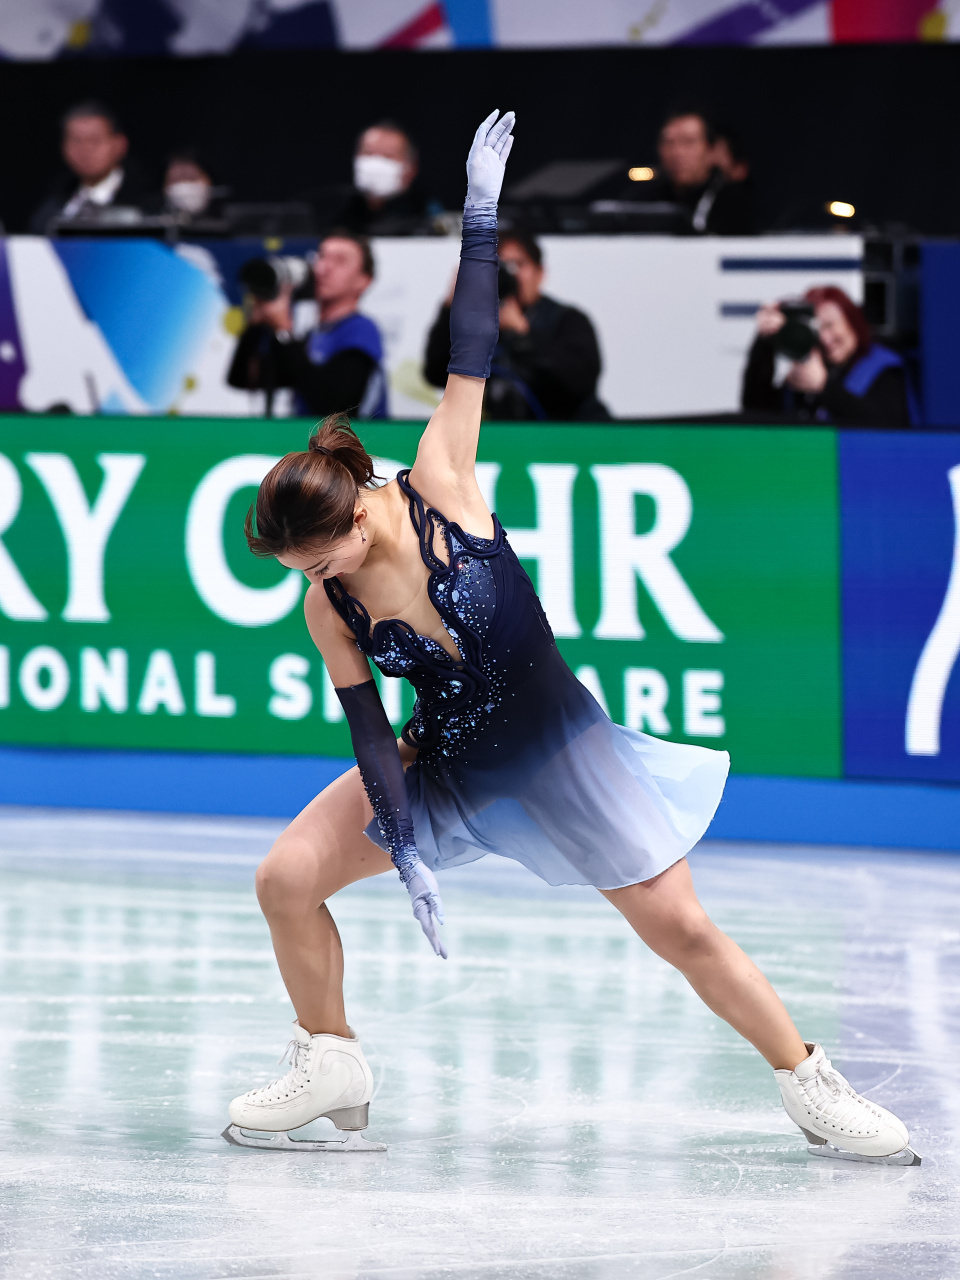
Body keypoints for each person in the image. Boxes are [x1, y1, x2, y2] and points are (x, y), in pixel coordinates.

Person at [223, 112, 917, 1168]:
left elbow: (471, 348)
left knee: (682, 930)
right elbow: (367, 729)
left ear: (358, 515)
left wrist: (480, 217)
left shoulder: (442, 482)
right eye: (298, 573)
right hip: (441, 765)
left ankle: (813, 1084)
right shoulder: (331, 608)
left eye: (318, 561)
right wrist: (402, 842)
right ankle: (331, 1057)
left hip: (562, 753)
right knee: (285, 877)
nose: (314, 584)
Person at [423, 230, 608, 420]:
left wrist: (522, 336)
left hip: (567, 430)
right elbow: (437, 373)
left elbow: (579, 382)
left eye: (519, 264)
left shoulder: (568, 320)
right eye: (500, 266)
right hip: (506, 432)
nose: (511, 274)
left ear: (540, 273)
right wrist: (453, 305)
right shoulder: (481, 325)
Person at [227, 230, 387, 419]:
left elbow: (337, 408)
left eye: (340, 261)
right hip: (312, 438)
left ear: (364, 280)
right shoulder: (313, 335)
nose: (324, 268)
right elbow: (242, 378)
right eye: (321, 257)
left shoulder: (361, 330)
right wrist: (257, 323)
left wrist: (284, 329)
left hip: (353, 439)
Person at [741, 286, 916, 427]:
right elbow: (756, 410)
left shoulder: (883, 368)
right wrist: (765, 342)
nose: (825, 338)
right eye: (817, 329)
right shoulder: (809, 370)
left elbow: (888, 426)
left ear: (851, 321)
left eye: (830, 325)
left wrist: (824, 387)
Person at [29, 102, 155, 233]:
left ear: (120, 144)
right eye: (76, 141)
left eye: (95, 140)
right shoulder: (49, 208)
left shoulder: (148, 205)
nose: (85, 150)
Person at [625, 108, 753, 236]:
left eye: (688, 142)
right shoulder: (641, 201)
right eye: (669, 142)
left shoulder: (736, 204)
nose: (677, 152)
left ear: (711, 150)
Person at [323, 121, 438, 236]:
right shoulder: (336, 215)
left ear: (412, 167)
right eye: (368, 153)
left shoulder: (428, 218)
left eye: (388, 155)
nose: (375, 163)